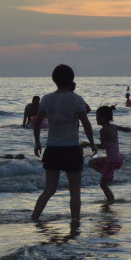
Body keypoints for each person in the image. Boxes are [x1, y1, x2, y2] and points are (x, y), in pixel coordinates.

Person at [31, 64, 97, 221]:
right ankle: (75, 221)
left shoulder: (46, 99)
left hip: (52, 149)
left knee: (49, 189)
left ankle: (34, 218)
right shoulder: (76, 99)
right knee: (75, 190)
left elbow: (37, 123)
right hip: (71, 149)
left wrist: (37, 143)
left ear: (54, 80)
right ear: (71, 80)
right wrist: (92, 142)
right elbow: (86, 124)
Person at [88, 105, 131, 203]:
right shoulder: (113, 126)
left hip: (111, 161)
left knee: (103, 185)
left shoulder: (103, 130)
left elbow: (103, 146)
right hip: (117, 159)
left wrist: (89, 144)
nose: (96, 119)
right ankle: (107, 175)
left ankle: (111, 201)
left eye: (97, 117)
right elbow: (125, 129)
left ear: (103, 118)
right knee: (91, 162)